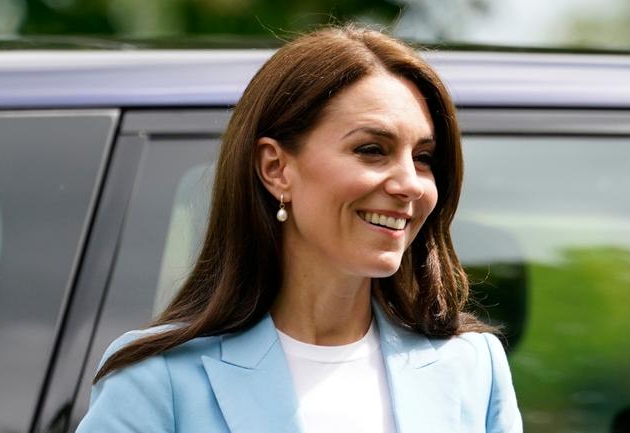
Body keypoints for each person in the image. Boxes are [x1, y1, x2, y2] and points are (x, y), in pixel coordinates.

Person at [76, 25, 523, 433]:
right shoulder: (159, 381)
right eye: (372, 150)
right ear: (276, 168)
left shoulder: (472, 368)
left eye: (423, 157)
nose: (409, 183)